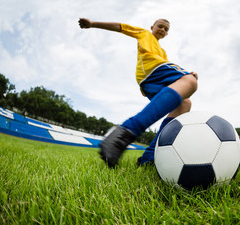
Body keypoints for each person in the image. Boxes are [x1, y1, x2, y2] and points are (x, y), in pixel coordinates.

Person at [78, 18, 198, 167]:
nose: (162, 30)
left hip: (150, 82)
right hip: (151, 71)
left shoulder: (163, 52)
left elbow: (171, 74)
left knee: (185, 103)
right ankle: (125, 132)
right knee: (191, 82)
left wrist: (183, 79)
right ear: (152, 27)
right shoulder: (144, 34)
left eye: (166, 29)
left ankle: (150, 156)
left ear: (167, 34)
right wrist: (93, 24)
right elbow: (120, 26)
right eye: (160, 26)